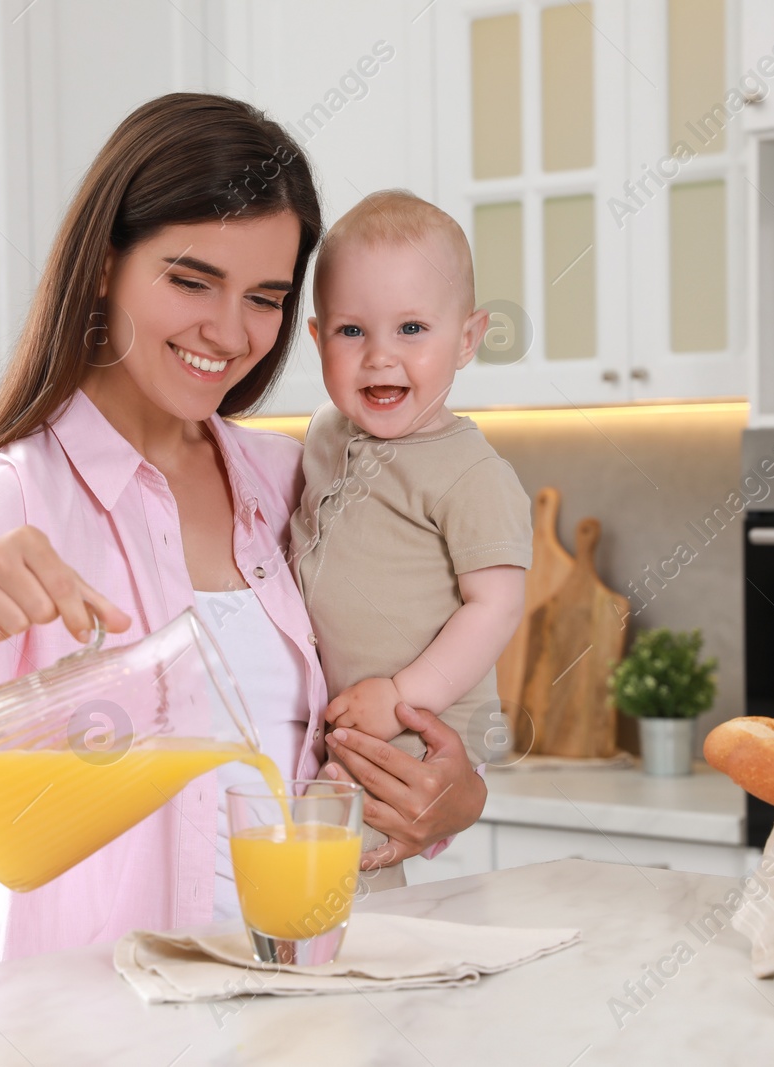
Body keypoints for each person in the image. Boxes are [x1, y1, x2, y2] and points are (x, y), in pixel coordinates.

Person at [0, 94, 487, 962]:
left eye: (264, 297)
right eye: (191, 280)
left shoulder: (295, 481)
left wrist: (451, 798)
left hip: (310, 1003)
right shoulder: (18, 495)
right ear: (106, 262)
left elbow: (387, 704)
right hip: (108, 1026)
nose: (227, 333)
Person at [290, 190, 532, 889]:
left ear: (466, 338)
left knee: (342, 866)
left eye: (412, 328)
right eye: (352, 332)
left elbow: (494, 606)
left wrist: (402, 690)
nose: (380, 357)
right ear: (317, 339)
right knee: (315, 851)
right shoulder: (323, 435)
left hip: (419, 723)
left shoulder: (470, 472)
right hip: (342, 721)